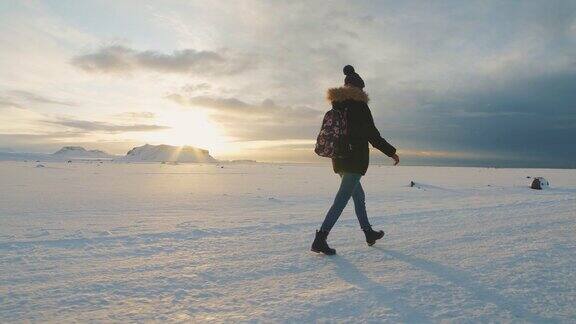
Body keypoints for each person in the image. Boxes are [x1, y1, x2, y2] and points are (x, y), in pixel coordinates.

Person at [311, 65, 400, 255]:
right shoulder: (359, 106)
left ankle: (368, 233)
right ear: (359, 88)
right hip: (354, 159)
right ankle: (320, 238)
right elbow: (372, 134)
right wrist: (391, 152)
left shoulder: (338, 104)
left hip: (339, 159)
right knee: (342, 199)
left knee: (358, 196)